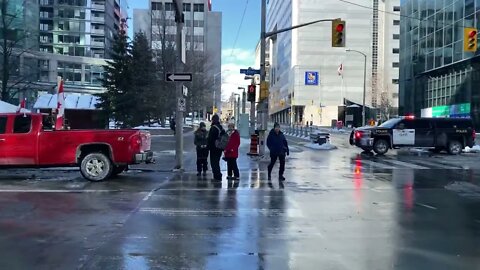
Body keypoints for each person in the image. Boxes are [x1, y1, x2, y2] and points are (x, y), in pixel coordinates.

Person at [208, 114, 224, 181]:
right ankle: (218, 175)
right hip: (219, 147)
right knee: (217, 162)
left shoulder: (213, 128)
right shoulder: (221, 127)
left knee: (214, 163)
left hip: (214, 148)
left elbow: (210, 139)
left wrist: (208, 147)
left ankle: (217, 177)